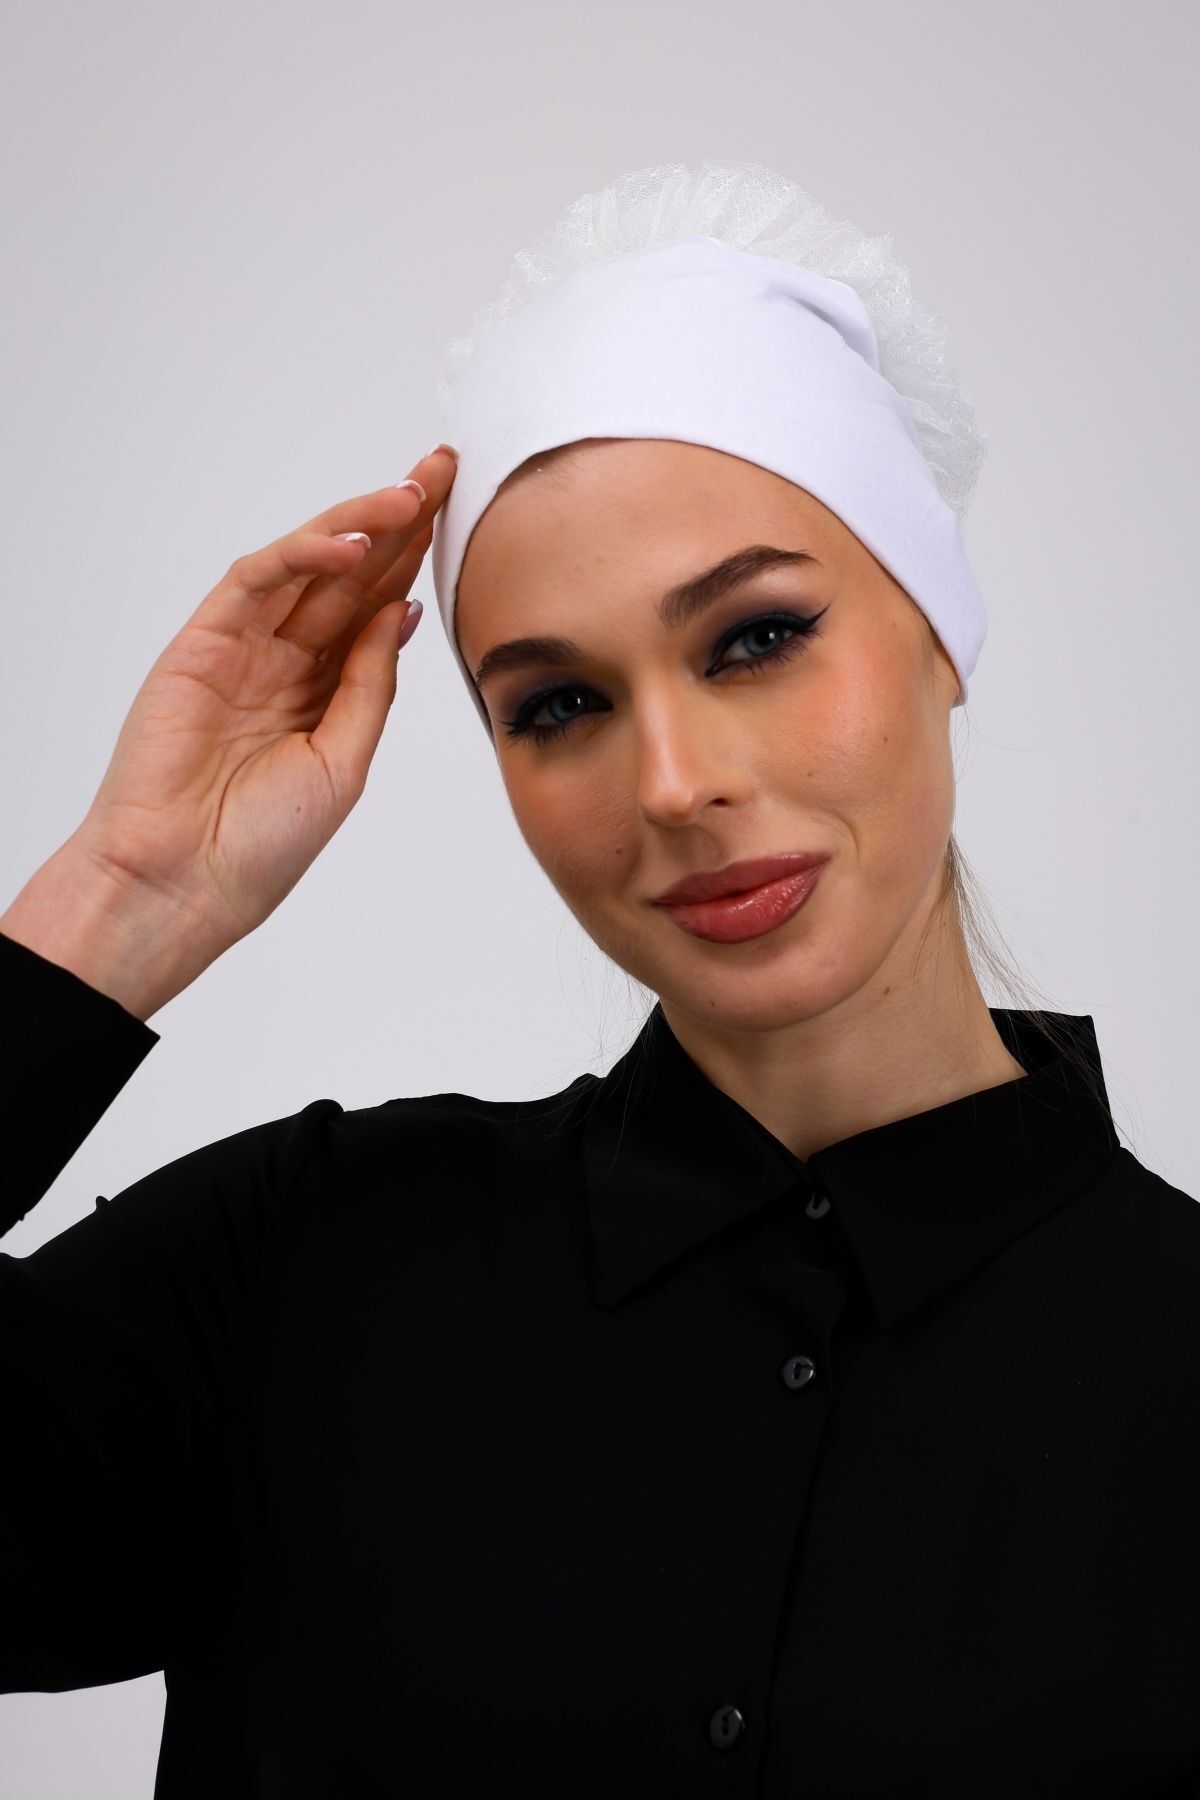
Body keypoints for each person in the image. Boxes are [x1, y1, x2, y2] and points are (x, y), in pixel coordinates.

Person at [3, 160, 1199, 1798]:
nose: (675, 785)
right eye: (559, 705)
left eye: (756, 637)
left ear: (939, 626)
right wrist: (120, 902)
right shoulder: (296, 1267)